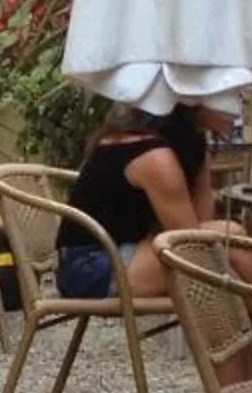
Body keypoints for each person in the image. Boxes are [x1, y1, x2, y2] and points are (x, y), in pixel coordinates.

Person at [54, 100, 234, 299]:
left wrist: (200, 167)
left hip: (132, 251)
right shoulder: (152, 154)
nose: (241, 98)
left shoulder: (186, 144)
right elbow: (191, 247)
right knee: (229, 240)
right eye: (230, 91)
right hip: (90, 268)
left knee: (228, 242)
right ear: (193, 101)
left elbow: (203, 225)